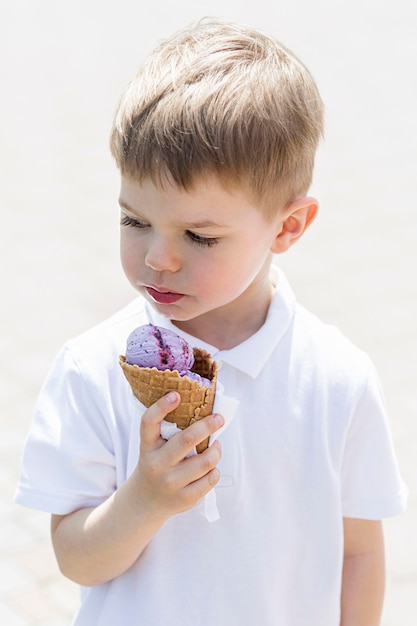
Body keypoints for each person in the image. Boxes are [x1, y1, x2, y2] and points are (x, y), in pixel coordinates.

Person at [15, 18, 407, 626]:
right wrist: (142, 502)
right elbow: (76, 557)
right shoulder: (94, 368)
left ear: (288, 228)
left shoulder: (337, 380)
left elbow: (358, 551)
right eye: (133, 220)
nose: (157, 258)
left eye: (200, 235)